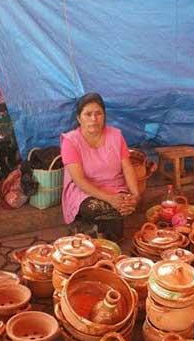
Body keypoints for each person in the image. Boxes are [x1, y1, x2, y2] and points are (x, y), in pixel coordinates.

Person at [60, 93, 140, 241]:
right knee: (96, 207)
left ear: (104, 116)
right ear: (79, 118)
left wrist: (135, 196)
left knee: (123, 205)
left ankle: (94, 230)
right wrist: (110, 199)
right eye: (88, 114)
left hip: (114, 187)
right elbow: (79, 180)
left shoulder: (116, 136)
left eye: (98, 113)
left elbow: (127, 167)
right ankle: (91, 226)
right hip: (84, 191)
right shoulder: (70, 142)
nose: (93, 119)